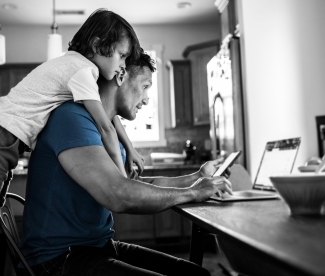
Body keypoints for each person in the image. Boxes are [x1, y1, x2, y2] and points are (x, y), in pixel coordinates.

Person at [0, 8, 145, 276]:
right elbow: (105, 128)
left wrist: (129, 148)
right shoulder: (82, 71)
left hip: (0, 140)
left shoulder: (78, 69)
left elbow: (109, 119)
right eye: (121, 55)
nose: (123, 64)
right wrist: (122, 181)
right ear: (98, 45)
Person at [19, 51, 232, 276]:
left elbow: (135, 185)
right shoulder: (71, 118)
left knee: (196, 274)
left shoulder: (108, 128)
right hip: (57, 260)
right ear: (120, 76)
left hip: (98, 247)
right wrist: (193, 193)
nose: (147, 98)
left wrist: (197, 179)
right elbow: (119, 194)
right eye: (145, 86)